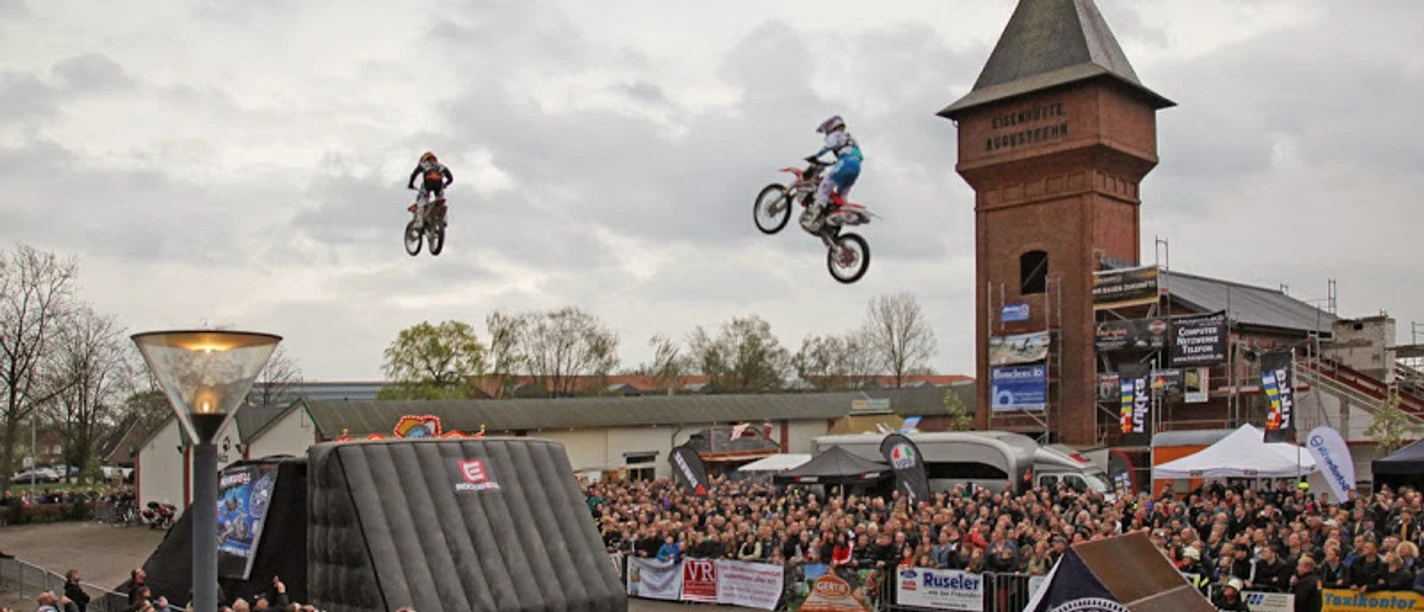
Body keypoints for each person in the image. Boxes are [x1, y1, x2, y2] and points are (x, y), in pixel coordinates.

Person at [800, 115, 863, 234]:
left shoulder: (834, 135)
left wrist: (816, 155)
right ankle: (837, 217)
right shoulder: (851, 138)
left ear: (830, 127)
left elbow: (830, 146)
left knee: (823, 187)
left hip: (846, 162)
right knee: (842, 195)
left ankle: (812, 218)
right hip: (857, 166)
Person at [406, 151, 454, 229]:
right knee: (441, 200)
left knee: (422, 200)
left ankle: (419, 220)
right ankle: (444, 219)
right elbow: (451, 178)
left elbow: (414, 174)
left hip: (427, 184)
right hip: (439, 185)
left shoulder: (424, 164)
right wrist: (445, 185)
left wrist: (411, 184)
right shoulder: (440, 166)